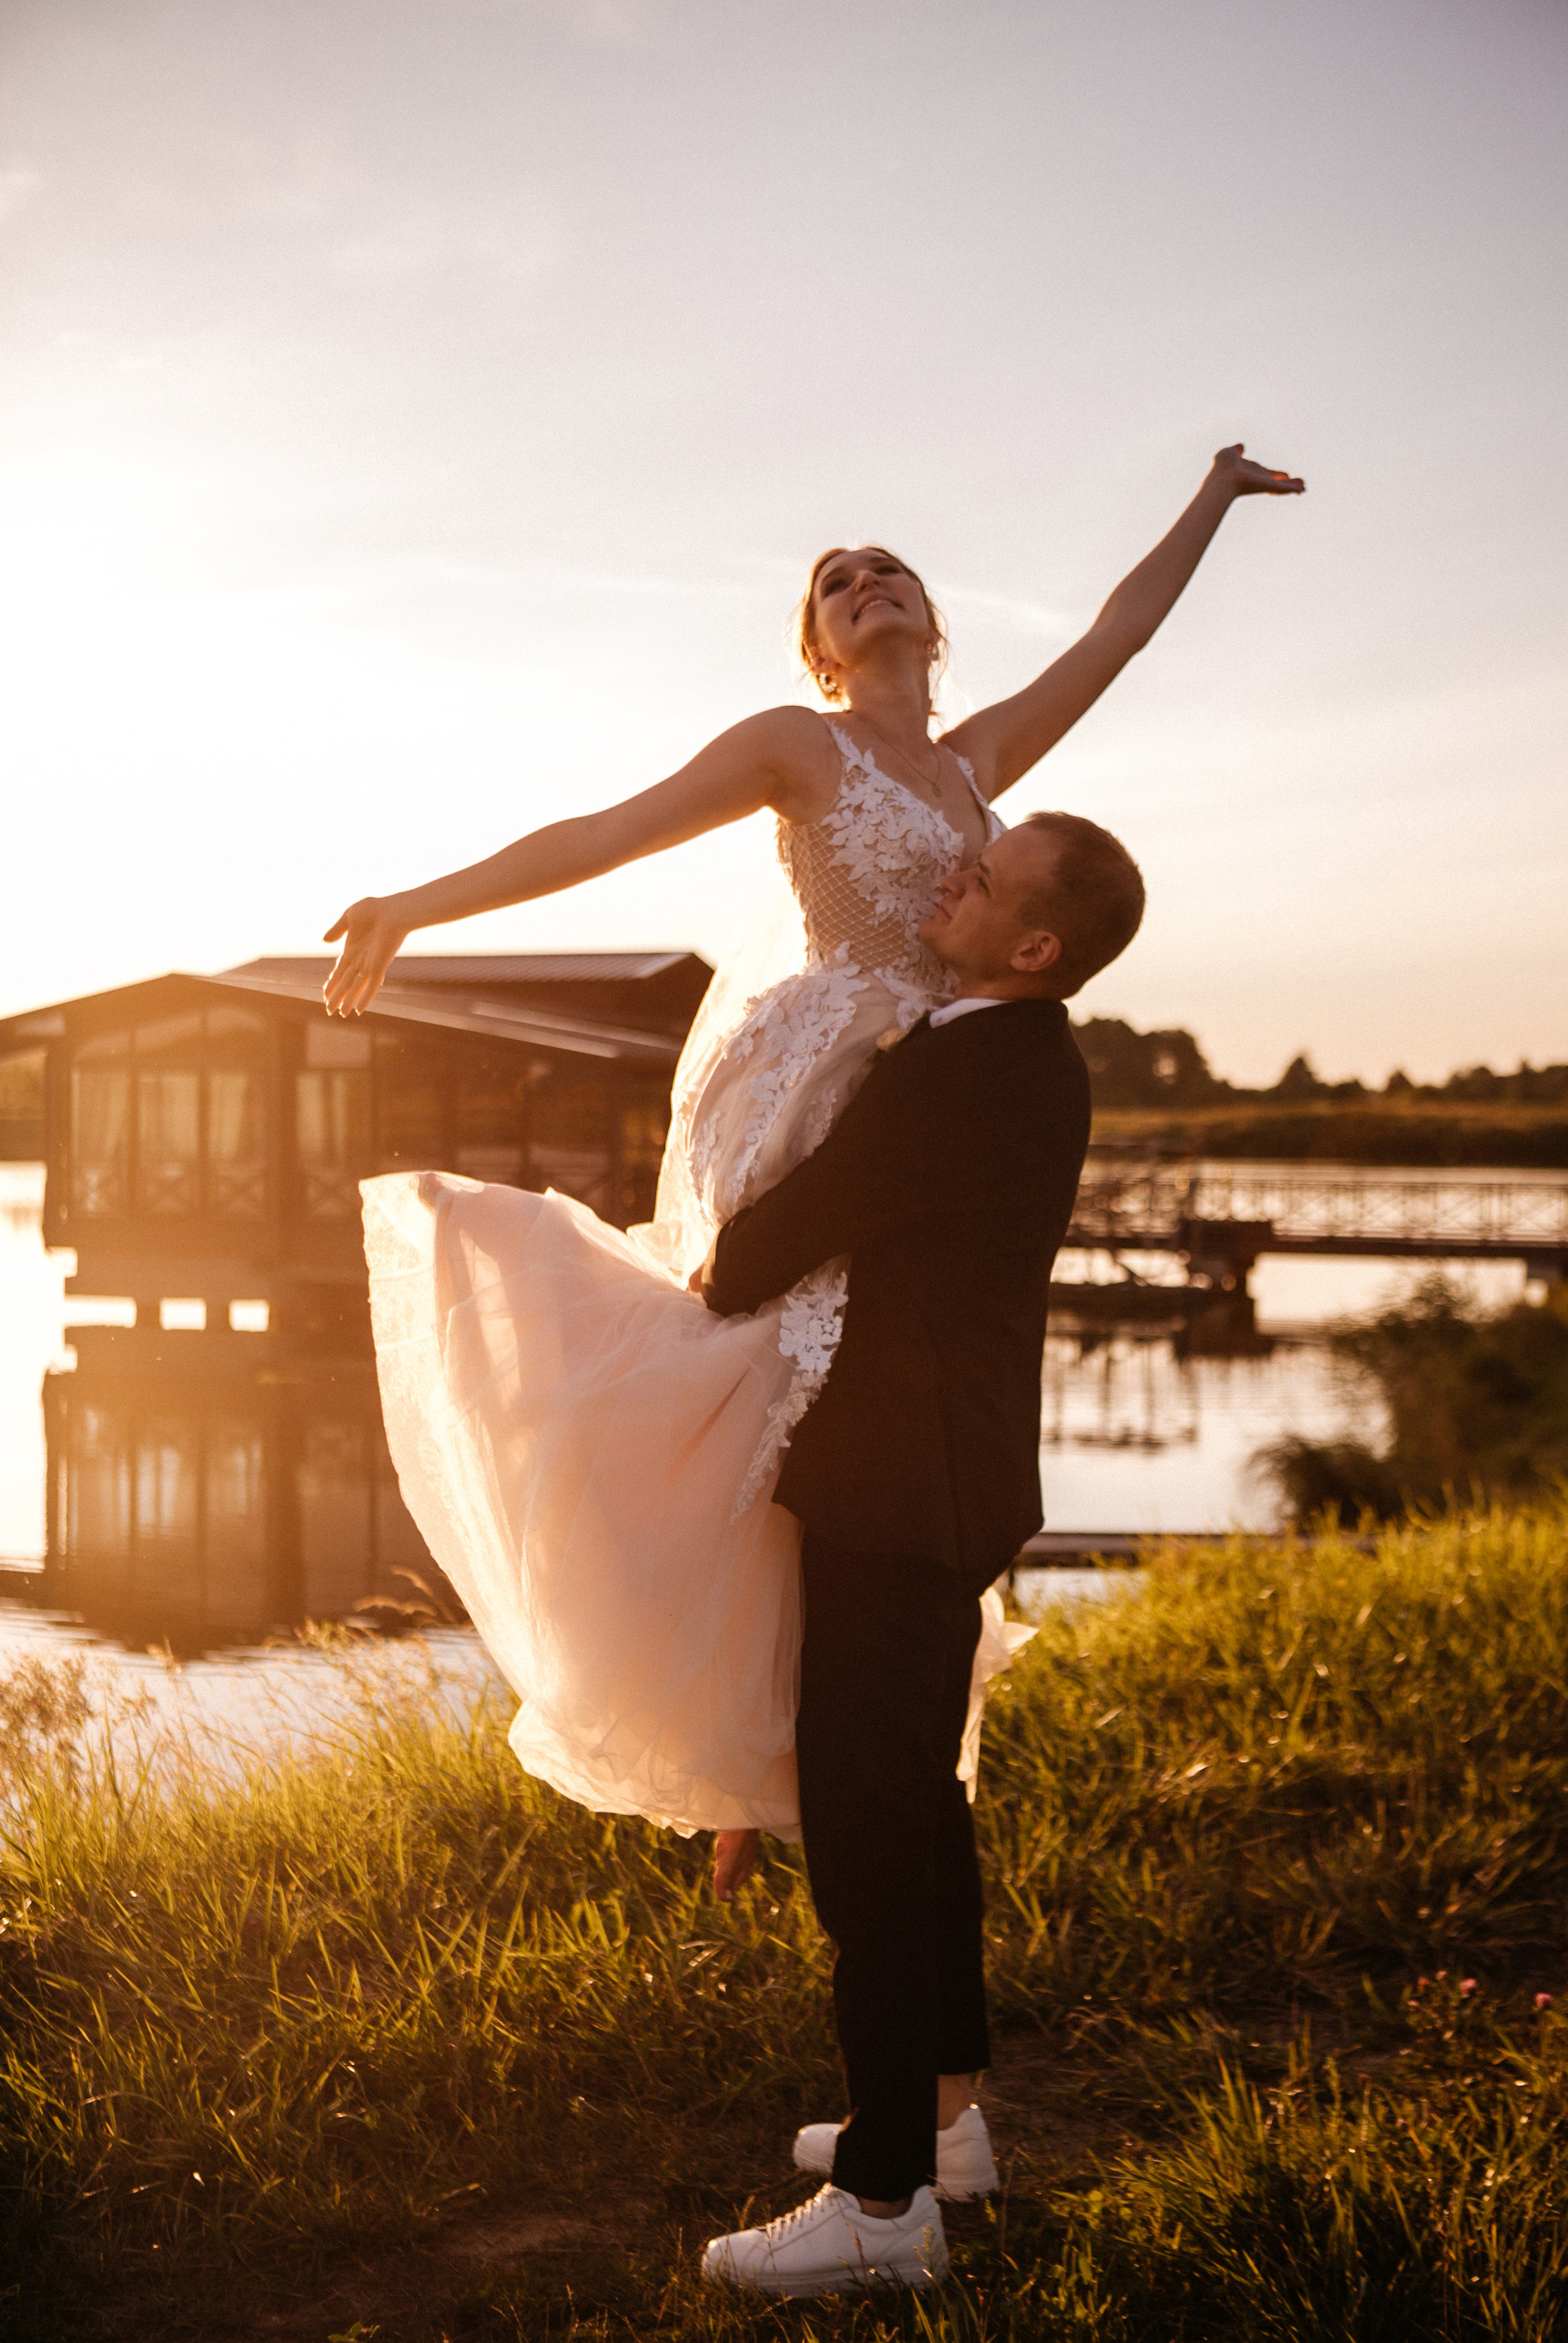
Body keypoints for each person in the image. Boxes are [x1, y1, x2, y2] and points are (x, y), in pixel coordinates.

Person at [332, 444, 1302, 1862]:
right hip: (817, 1086)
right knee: (765, 1392)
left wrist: (1211, 495)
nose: (863, 585)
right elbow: (609, 831)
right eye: (833, 585)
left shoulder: (980, 765)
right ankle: (753, 1748)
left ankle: (777, 1746)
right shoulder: (800, 743)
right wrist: (419, 904)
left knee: (858, 1427)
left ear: (929, 618)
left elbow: (1120, 631)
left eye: (884, 570)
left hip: (928, 1093)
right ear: (818, 645)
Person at [696, 809, 1135, 2297]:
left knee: (870, 1839)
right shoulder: (1016, 1056)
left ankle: (885, 2210)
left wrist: (718, 1258)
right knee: (925, 1816)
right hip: (948, 1478)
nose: (948, 875)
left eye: (981, 881)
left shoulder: (960, 1071)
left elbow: (770, 1243)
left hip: (896, 1489)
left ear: (1032, 946)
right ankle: (945, 2131)